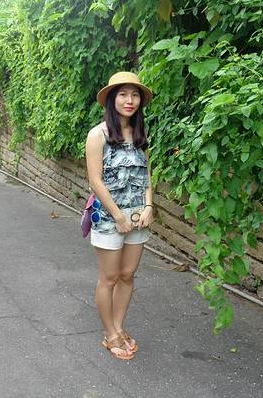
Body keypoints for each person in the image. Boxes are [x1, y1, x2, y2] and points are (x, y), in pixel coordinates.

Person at [85, 71, 155, 361]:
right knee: (109, 277)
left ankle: (119, 326)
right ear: (112, 99)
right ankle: (109, 334)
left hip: (138, 217)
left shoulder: (140, 135)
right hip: (109, 218)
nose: (130, 100)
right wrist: (118, 216)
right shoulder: (98, 135)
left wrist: (149, 206)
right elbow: (95, 180)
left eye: (135, 95)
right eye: (123, 94)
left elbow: (147, 175)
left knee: (127, 275)